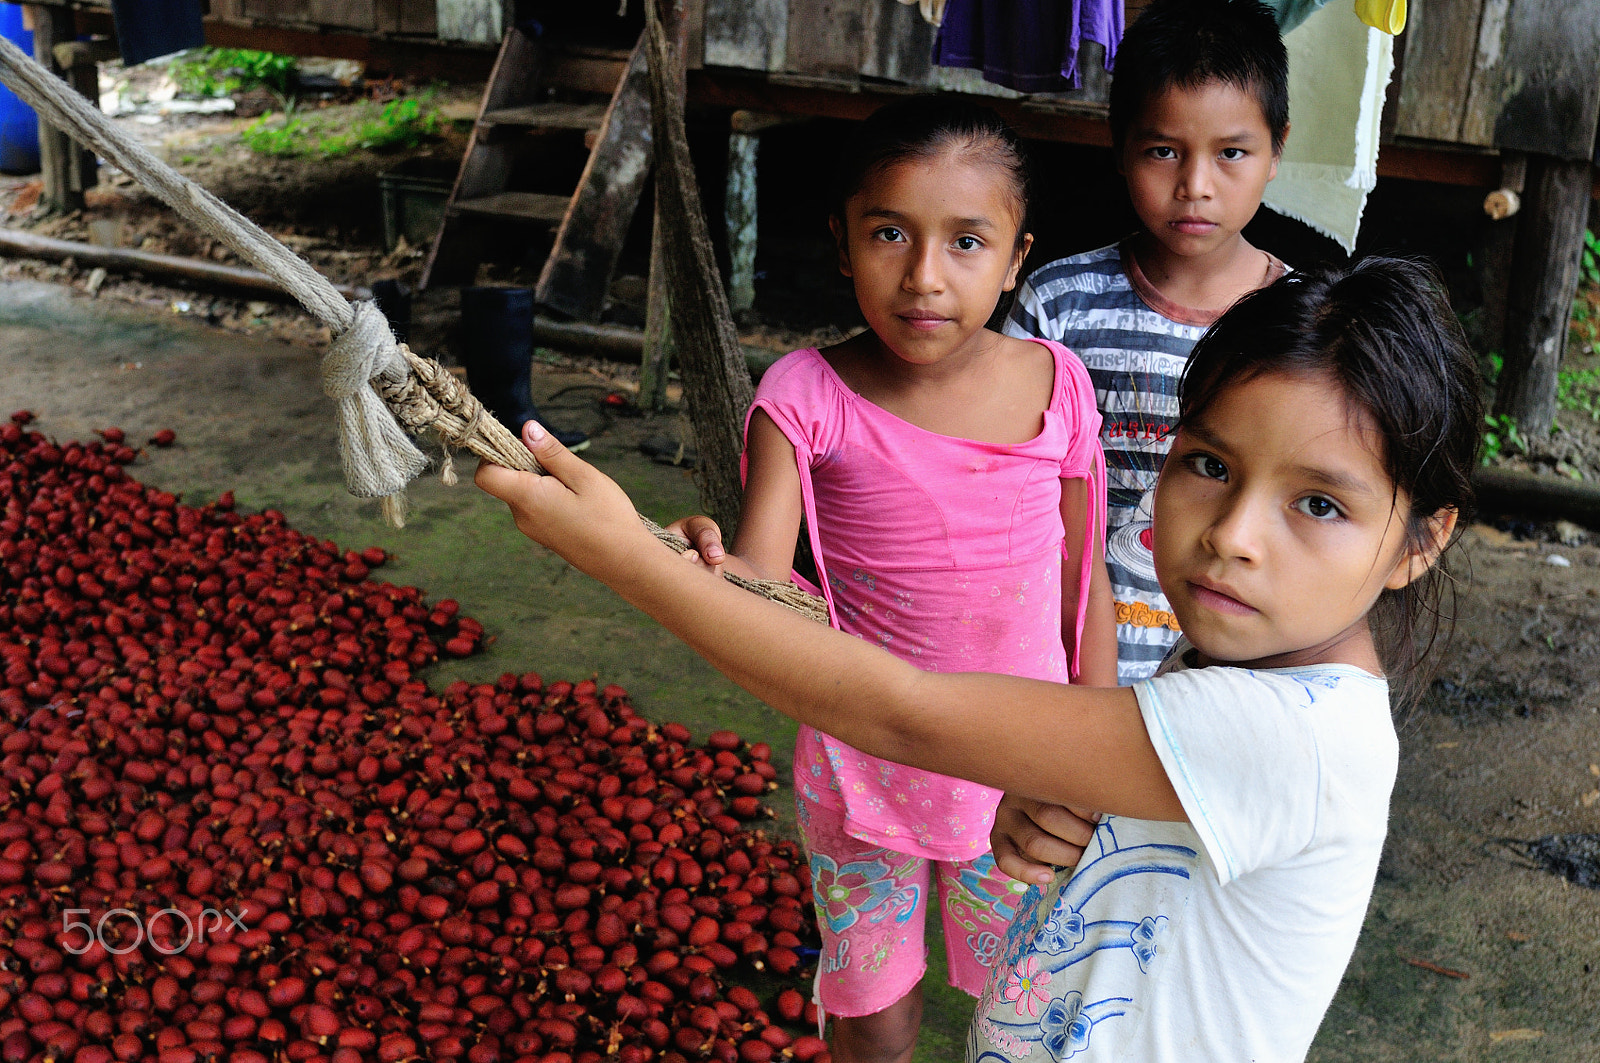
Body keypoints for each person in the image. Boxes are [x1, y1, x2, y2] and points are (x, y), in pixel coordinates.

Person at [476, 256, 1483, 1062]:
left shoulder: (1288, 732)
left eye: (1318, 503)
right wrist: (1086, 816)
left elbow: (906, 713)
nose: (1232, 535)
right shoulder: (1227, 669)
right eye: (1208, 466)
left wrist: (627, 563)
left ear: (1419, 542)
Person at [660, 96, 1116, 1063]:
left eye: (966, 242)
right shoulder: (803, 398)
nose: (924, 277)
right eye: (890, 234)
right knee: (872, 1015)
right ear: (842, 242)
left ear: (1016, 256)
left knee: (1031, 1009)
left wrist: (1097, 744)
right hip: (863, 773)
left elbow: (1086, 584)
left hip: (1022, 772)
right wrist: (698, 564)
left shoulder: (1058, 385)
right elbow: (757, 589)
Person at [1006, 0, 1290, 685]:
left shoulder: (1302, 324)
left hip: (1230, 662)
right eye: (1164, 151)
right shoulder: (1059, 305)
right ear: (1121, 145)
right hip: (1061, 650)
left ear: (1276, 149)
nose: (1195, 186)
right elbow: (1011, 481)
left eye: (1231, 154)